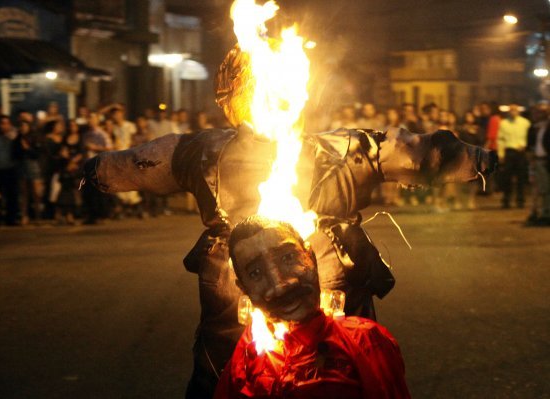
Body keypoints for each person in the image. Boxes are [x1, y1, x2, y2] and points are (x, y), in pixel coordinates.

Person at [83, 45, 495, 398]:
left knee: (343, 376)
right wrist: (100, 169)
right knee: (226, 376)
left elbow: (421, 152)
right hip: (239, 303)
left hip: (331, 301)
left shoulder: (344, 147)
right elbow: (137, 164)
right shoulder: (203, 152)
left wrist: (469, 159)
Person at [214, 216, 411, 398]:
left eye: (288, 258)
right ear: (243, 288)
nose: (281, 285)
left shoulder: (365, 341)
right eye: (256, 273)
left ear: (311, 256)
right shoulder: (246, 358)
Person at [498, 104, 530, 209]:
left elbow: (529, 137)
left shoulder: (525, 123)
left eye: (515, 110)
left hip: (521, 152)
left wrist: (526, 147)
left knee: (521, 177)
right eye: (511, 110)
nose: (513, 112)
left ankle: (520, 200)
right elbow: (500, 139)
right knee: (507, 177)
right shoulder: (504, 123)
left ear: (518, 111)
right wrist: (501, 154)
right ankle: (506, 200)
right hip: (509, 151)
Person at [14, 121, 44, 224]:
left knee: (36, 193)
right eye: (21, 126)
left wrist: (27, 148)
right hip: (22, 166)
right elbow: (14, 154)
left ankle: (38, 216)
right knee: (24, 193)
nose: (22, 128)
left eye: (24, 126)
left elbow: (37, 154)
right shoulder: (17, 139)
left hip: (33, 166)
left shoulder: (34, 138)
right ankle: (24, 216)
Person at [526, 105, 550, 225]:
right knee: (541, 189)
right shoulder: (535, 128)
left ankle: (546, 214)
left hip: (546, 160)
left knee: (545, 188)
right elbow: (531, 143)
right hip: (538, 160)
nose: (537, 115)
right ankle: (541, 213)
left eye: (541, 112)